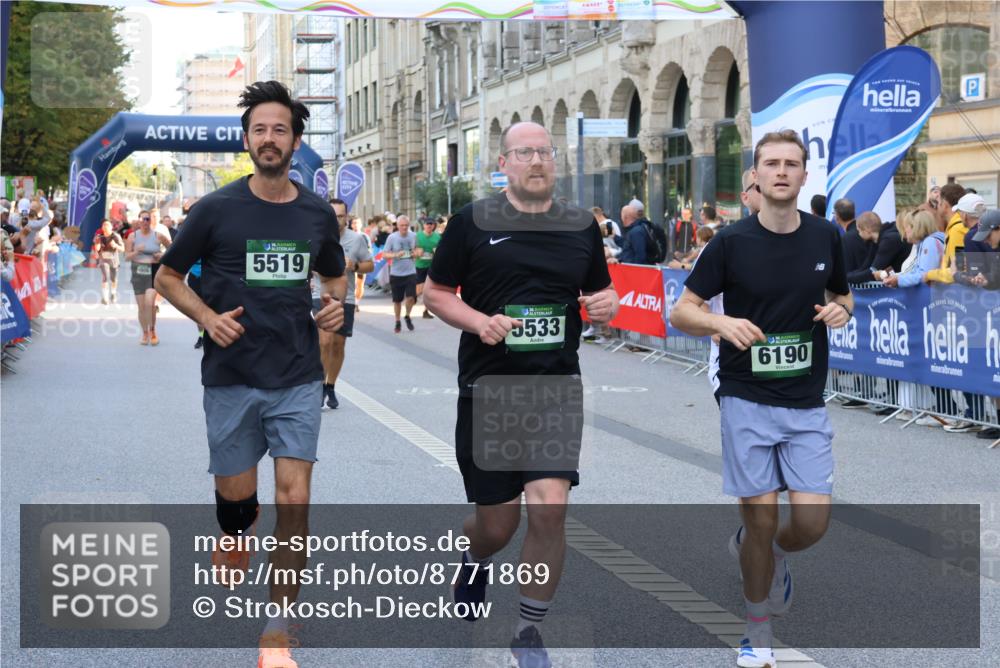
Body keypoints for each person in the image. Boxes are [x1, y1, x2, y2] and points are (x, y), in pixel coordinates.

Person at [154, 80, 346, 668]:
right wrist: (208, 317)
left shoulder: (317, 213)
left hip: (296, 375)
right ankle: (235, 529)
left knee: (297, 499)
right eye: (259, 129)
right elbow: (166, 277)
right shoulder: (215, 209)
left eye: (280, 129)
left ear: (295, 141)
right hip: (232, 375)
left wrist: (337, 307)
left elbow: (334, 279)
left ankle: (277, 628)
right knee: (237, 500)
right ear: (247, 140)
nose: (269, 138)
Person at [424, 121, 618, 668]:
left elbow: (599, 292)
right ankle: (475, 556)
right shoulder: (472, 223)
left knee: (550, 509)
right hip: (490, 391)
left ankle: (528, 633)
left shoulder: (580, 226)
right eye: (524, 152)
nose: (536, 160)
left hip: (556, 389)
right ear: (503, 163)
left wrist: (606, 305)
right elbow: (436, 293)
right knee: (496, 526)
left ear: (554, 162)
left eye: (544, 152)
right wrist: (480, 322)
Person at [670, 129, 853, 668]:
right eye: (770, 163)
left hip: (806, 400)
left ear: (802, 175)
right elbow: (682, 310)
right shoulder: (730, 242)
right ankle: (756, 633)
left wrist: (843, 310)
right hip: (745, 396)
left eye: (790, 164)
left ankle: (772, 554)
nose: (780, 171)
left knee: (811, 525)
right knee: (760, 517)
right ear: (755, 174)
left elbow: (841, 296)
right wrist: (720, 322)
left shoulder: (824, 237)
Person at [316, 197, 373, 409]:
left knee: (338, 344)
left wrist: (355, 265)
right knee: (324, 341)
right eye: (333, 216)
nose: (337, 220)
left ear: (346, 218)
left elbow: (369, 265)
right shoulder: (316, 236)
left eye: (340, 216)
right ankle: (319, 386)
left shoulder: (356, 239)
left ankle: (330, 385)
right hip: (319, 294)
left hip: (345, 297)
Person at [124, 210, 170, 345]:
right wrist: (136, 251)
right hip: (138, 271)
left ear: (151, 221)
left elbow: (172, 250)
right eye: (143, 219)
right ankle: (144, 333)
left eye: (148, 219)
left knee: (150, 303)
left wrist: (162, 255)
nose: (145, 222)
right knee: (141, 306)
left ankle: (153, 330)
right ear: (139, 221)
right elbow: (126, 257)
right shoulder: (132, 237)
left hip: (153, 270)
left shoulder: (158, 236)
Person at [384, 214, 418, 332]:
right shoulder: (392, 238)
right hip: (396, 273)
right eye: (402, 225)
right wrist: (395, 255)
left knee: (411, 298)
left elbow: (418, 249)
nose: (404, 228)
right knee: (397, 301)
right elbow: (384, 254)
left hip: (410, 272)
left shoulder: (414, 236)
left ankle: (407, 315)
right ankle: (397, 321)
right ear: (397, 226)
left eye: (406, 225)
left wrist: (416, 253)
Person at [414, 217, 441, 319]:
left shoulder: (437, 237)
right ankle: (412, 297)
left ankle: (426, 311)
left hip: (431, 265)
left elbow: (440, 250)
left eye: (431, 224)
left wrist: (437, 252)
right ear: (424, 225)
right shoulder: (418, 236)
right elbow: (413, 249)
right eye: (427, 224)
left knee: (428, 289)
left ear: (433, 226)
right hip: (420, 265)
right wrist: (417, 251)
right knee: (420, 288)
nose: (429, 226)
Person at [93, 219, 125, 305]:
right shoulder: (99, 237)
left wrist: (116, 245)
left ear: (111, 227)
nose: (105, 226)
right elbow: (97, 248)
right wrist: (97, 245)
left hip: (114, 260)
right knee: (105, 277)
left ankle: (113, 293)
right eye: (104, 225)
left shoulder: (116, 236)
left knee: (113, 279)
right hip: (103, 259)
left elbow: (122, 249)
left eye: (107, 225)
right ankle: (105, 298)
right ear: (102, 228)